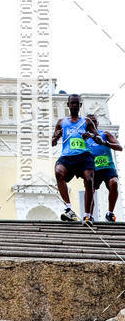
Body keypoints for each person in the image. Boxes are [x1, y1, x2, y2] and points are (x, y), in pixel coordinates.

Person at [52, 94, 103, 224]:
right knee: (59, 172)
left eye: (77, 103)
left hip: (84, 156)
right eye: (72, 103)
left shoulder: (86, 121)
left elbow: (99, 139)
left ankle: (87, 215)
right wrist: (56, 136)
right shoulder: (61, 122)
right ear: (68, 105)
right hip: (67, 156)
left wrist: (90, 135)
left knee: (89, 180)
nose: (74, 105)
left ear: (80, 106)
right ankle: (69, 210)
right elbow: (53, 142)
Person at [85, 114, 122, 222]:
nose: (94, 123)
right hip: (93, 168)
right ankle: (89, 216)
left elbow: (119, 147)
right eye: (91, 122)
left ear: (98, 123)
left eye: (95, 121)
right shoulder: (84, 138)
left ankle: (110, 213)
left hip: (107, 167)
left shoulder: (104, 134)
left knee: (114, 183)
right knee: (90, 190)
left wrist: (105, 143)